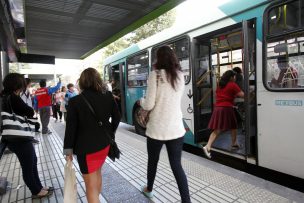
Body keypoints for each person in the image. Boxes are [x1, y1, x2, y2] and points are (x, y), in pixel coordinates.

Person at [139, 46, 191, 203]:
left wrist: (140, 101)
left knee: (152, 161)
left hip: (157, 129)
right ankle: (186, 201)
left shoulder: (155, 75)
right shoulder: (180, 76)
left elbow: (148, 105)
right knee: (177, 166)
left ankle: (149, 190)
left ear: (158, 58)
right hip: (176, 129)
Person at [64, 68, 120, 203]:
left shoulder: (75, 101)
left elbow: (70, 129)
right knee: (97, 174)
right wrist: (110, 132)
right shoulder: (107, 96)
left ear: (82, 82)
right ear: (98, 80)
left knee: (90, 186)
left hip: (87, 150)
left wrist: (68, 150)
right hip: (104, 145)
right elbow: (117, 117)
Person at [0, 73, 54, 199]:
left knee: (32, 161)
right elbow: (29, 111)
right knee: (28, 165)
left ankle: (39, 187)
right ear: (17, 85)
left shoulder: (4, 96)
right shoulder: (13, 97)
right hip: (18, 138)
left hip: (14, 138)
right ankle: (36, 191)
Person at [201, 70, 244, 159]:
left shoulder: (220, 85)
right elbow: (242, 95)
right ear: (231, 77)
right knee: (221, 129)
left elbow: (222, 95)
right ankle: (207, 146)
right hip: (226, 109)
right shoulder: (232, 85)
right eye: (234, 77)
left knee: (232, 125)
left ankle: (234, 143)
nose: (235, 78)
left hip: (218, 108)